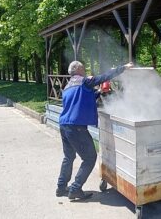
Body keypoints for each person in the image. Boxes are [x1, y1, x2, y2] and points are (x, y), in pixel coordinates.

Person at [56, 60, 133, 200]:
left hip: (64, 125)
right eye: (83, 68)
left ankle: (61, 188)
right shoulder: (83, 81)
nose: (85, 70)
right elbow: (103, 77)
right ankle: (75, 189)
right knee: (90, 157)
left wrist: (98, 92)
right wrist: (123, 68)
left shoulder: (68, 86)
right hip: (76, 128)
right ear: (78, 69)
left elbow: (82, 99)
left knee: (69, 157)